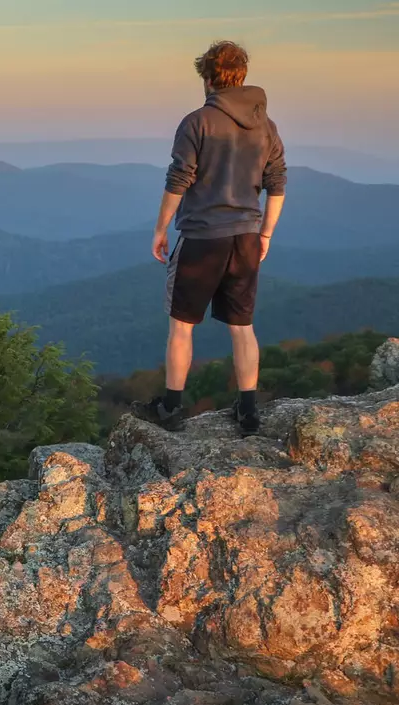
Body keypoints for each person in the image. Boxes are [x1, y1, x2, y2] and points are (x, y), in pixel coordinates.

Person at [134, 40, 286, 437]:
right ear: (242, 75)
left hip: (202, 238)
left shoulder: (197, 121)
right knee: (243, 327)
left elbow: (179, 180)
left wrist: (161, 228)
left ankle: (170, 406)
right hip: (247, 236)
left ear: (207, 76)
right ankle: (248, 411)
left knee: (182, 325)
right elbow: (278, 183)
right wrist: (265, 232)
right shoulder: (266, 125)